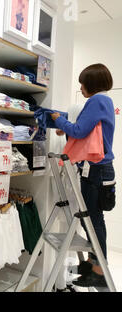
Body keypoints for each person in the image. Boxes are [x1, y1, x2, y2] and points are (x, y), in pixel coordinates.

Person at [51, 63, 115, 288]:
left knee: (94, 219)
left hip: (96, 169)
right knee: (94, 218)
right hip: (99, 168)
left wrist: (59, 120)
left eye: (83, 82)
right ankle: (93, 265)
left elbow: (79, 131)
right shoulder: (105, 101)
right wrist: (66, 125)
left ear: (92, 84)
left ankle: (98, 269)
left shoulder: (97, 100)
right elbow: (84, 130)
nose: (81, 86)